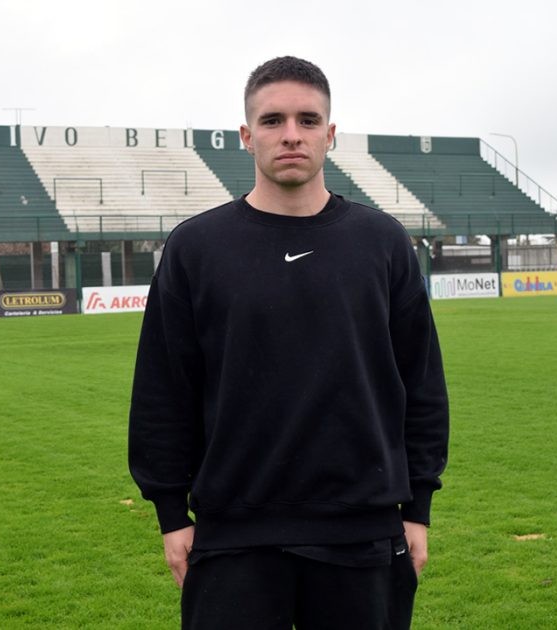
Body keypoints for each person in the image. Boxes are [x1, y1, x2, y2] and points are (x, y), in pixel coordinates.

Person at [128, 55, 449, 629]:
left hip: (364, 531)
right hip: (233, 536)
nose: (292, 134)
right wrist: (172, 514)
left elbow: (421, 383)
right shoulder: (196, 247)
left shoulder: (382, 242)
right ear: (247, 136)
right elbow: (163, 390)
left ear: (330, 133)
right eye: (273, 120)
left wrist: (418, 507)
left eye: (308, 120)